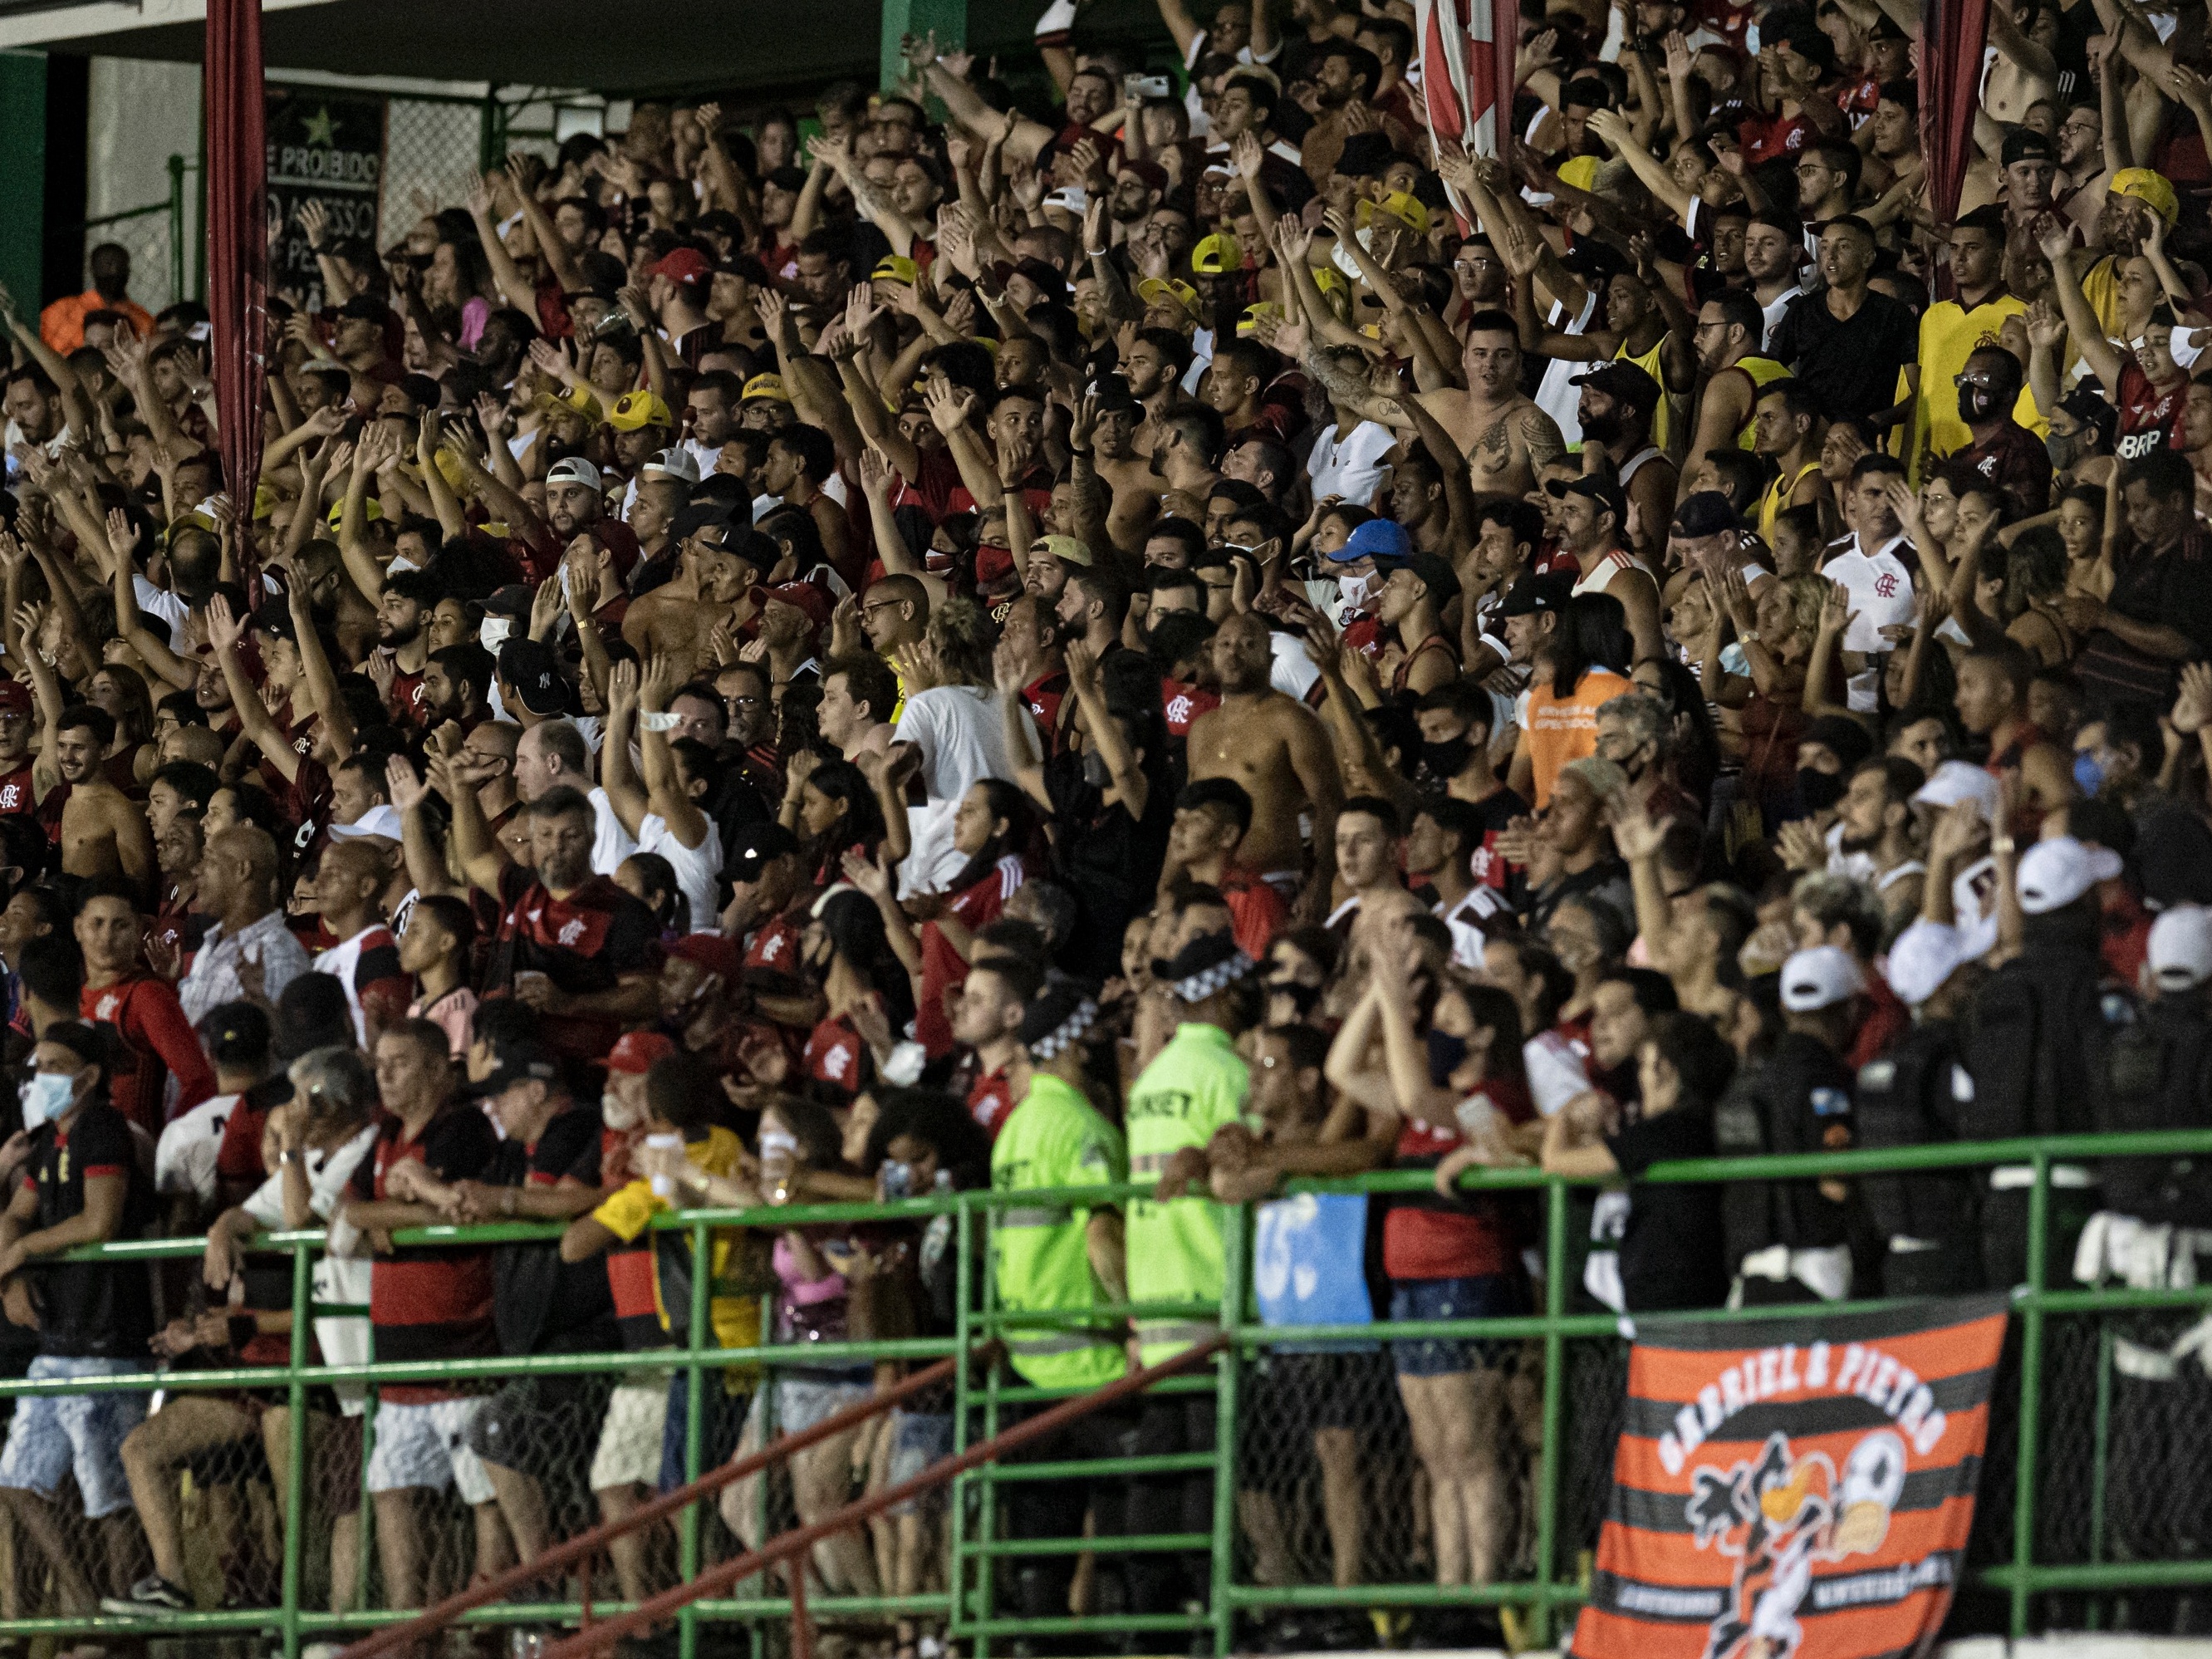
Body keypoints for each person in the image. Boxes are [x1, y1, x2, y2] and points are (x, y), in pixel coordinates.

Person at [0, 1022, 157, 1616]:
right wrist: (12, 1267)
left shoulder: (103, 1129)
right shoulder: (51, 1140)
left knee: (107, 1496)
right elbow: (16, 1214)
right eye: (34, 1065)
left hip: (109, 1338)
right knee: (18, 1480)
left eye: (52, 1066)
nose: (36, 1078)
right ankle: (93, 1612)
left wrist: (25, 1249)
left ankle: (119, 1625)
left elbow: (100, 1221)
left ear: (89, 1077)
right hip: (59, 1337)